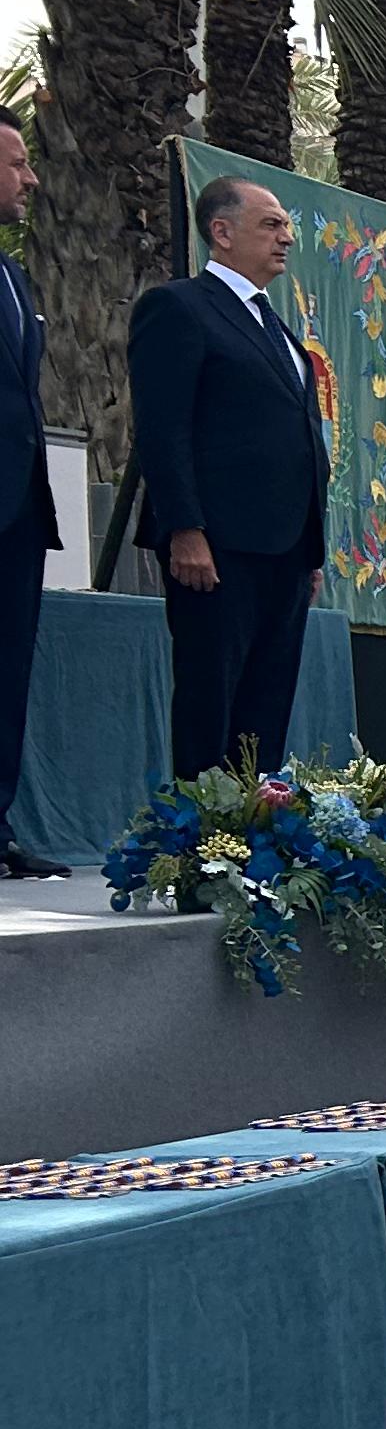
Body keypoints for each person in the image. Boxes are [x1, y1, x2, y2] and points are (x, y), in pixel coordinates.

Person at [129, 170, 330, 782]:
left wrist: (310, 550)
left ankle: (252, 838)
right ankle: (200, 842)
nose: (285, 238)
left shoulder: (279, 329)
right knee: (210, 697)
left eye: (287, 226)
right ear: (221, 232)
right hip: (217, 545)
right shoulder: (180, 307)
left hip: (286, 550)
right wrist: (185, 529)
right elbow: (163, 430)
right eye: (270, 224)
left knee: (266, 706)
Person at [0, 105, 56, 877]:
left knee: (9, 671)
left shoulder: (12, 275)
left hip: (16, 510)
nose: (31, 177)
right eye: (16, 162)